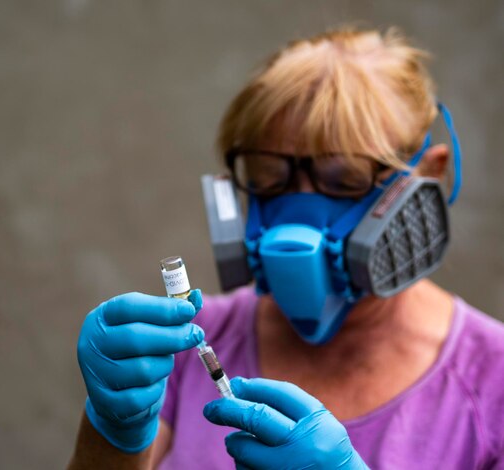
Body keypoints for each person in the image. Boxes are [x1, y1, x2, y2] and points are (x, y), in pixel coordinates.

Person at [68, 28, 504, 469]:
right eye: (268, 175)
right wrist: (111, 434)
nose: (297, 216)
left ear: (428, 174)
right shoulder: (187, 346)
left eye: (344, 178)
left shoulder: (493, 382)